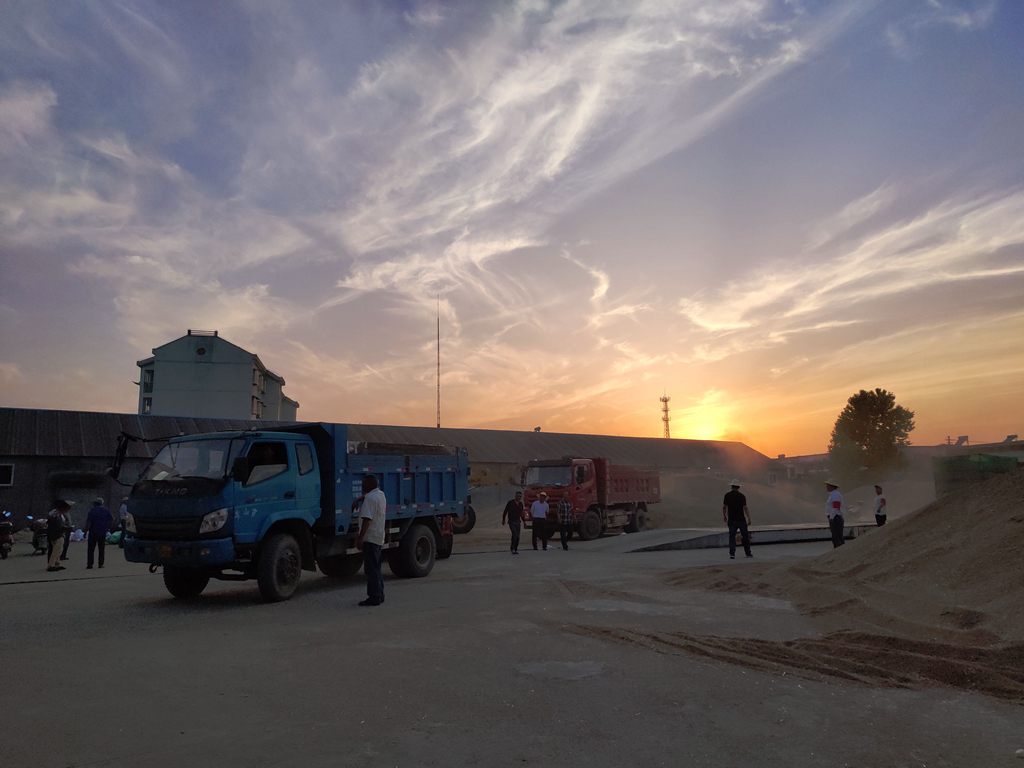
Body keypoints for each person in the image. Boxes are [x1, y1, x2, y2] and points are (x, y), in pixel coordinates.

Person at [354, 474, 387, 606]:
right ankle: (380, 594)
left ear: (369, 485)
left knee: (371, 570)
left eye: (364, 483)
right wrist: (359, 499)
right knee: (376, 568)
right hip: (378, 536)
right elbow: (369, 496)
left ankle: (374, 597)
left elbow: (367, 520)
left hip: (370, 538)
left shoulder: (370, 500)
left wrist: (360, 538)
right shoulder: (380, 495)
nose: (362, 485)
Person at [722, 480, 752, 559]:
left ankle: (732, 554)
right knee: (745, 537)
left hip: (732, 519)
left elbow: (724, 507)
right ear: (738, 487)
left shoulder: (727, 495)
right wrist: (749, 518)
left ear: (731, 486)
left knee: (732, 537)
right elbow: (745, 508)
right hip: (741, 519)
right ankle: (748, 553)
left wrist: (724, 516)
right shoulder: (742, 496)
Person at [85, 498, 114, 569]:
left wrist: (85, 531)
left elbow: (88, 522)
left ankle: (90, 564)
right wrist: (107, 527)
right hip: (102, 532)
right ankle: (101, 564)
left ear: (95, 504)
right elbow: (111, 519)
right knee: (101, 549)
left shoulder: (92, 511)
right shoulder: (105, 511)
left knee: (91, 549)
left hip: (93, 532)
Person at [46, 501, 70, 572]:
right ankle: (51, 565)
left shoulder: (55, 514)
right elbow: (57, 526)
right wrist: (66, 528)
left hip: (55, 534)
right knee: (57, 550)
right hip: (57, 535)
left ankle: (57, 563)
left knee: (57, 549)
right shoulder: (56, 516)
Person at [825, 479, 844, 547]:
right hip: (834, 517)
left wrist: (831, 517)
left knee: (837, 536)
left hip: (836, 517)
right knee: (836, 536)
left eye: (828, 485)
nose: (827, 487)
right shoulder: (833, 494)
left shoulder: (835, 494)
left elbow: (836, 506)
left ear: (832, 486)